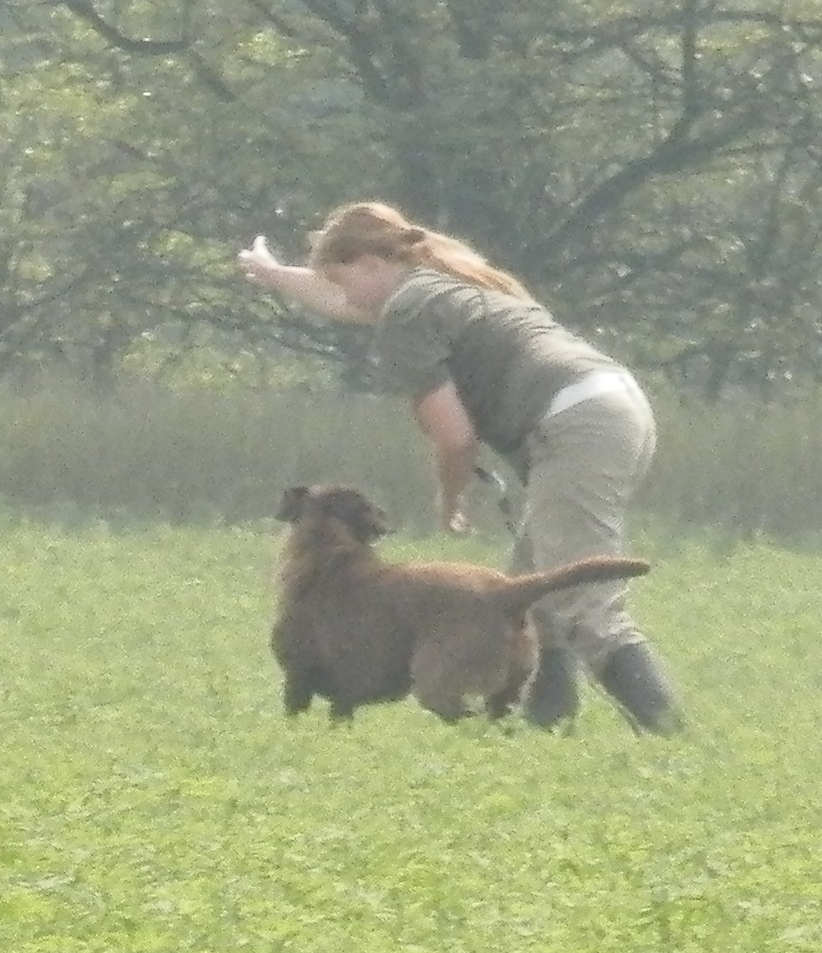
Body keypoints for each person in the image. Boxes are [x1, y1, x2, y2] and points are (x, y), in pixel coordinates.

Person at [237, 201, 683, 734]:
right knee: (531, 594)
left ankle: (671, 738)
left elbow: (454, 438)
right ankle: (547, 735)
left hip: (577, 425)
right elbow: (344, 300)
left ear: (372, 264)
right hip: (614, 405)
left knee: (585, 605)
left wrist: (451, 500)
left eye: (342, 279)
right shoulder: (442, 283)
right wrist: (273, 275)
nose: (344, 298)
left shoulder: (407, 314)